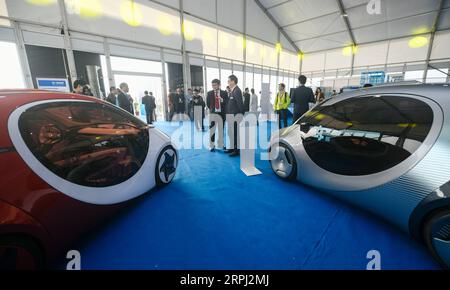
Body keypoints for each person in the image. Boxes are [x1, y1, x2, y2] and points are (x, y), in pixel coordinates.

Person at [206, 79, 229, 152]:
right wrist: (213, 110)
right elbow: (208, 104)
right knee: (212, 130)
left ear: (219, 85)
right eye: (212, 85)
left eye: (215, 85)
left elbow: (227, 103)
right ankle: (212, 145)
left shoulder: (224, 93)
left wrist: (222, 100)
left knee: (221, 130)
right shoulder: (209, 93)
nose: (213, 86)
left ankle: (221, 144)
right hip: (213, 114)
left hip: (221, 114)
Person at [225, 75, 245, 157]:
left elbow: (240, 105)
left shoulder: (237, 91)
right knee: (231, 133)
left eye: (229, 81)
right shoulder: (232, 90)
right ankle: (232, 148)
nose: (228, 82)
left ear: (233, 81)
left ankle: (236, 150)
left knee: (236, 134)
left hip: (236, 116)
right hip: (231, 116)